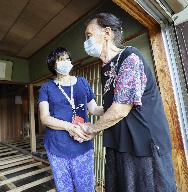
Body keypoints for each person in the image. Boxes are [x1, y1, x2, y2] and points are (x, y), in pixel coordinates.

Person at [79, 13, 176, 192]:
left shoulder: (129, 57)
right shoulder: (105, 68)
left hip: (143, 145)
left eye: (89, 35)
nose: (86, 42)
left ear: (107, 33)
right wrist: (89, 108)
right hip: (120, 143)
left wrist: (90, 129)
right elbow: (109, 108)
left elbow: (120, 110)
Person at [38, 47, 103, 192]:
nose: (66, 62)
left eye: (68, 59)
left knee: (86, 187)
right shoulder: (46, 88)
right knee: (64, 188)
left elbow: (94, 109)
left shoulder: (82, 82)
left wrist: (114, 108)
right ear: (53, 65)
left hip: (82, 144)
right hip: (57, 146)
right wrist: (70, 126)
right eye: (61, 60)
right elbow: (45, 118)